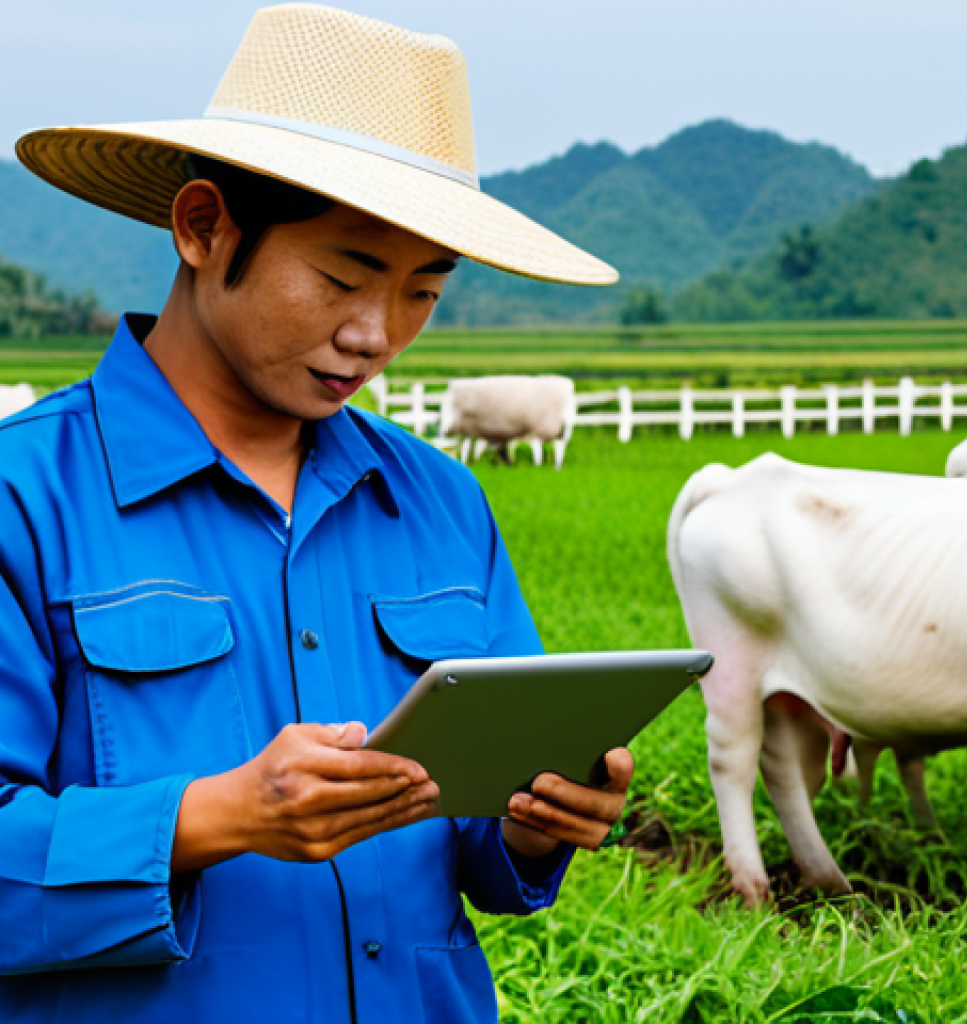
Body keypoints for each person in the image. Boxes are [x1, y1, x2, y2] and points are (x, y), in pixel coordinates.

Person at [0, 5, 632, 1024]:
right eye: (343, 277)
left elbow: (481, 834)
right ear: (203, 227)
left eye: (423, 294)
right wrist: (219, 815)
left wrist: (534, 819)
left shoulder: (441, 502)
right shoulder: (24, 498)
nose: (376, 335)